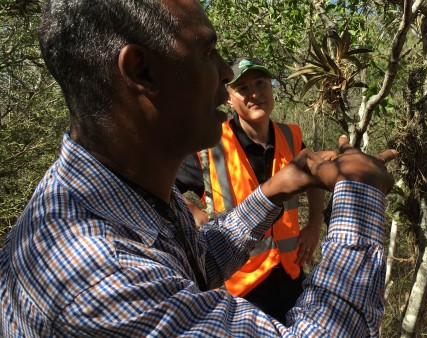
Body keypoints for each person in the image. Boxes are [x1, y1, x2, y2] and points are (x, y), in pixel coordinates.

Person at [0, 0, 396, 337]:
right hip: (248, 289)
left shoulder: (115, 195)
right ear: (141, 71)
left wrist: (274, 190)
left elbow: (194, 261)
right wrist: (359, 194)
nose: (226, 76)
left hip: (286, 276)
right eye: (208, 52)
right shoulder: (98, 276)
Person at [176, 57, 324, 322]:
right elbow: (162, 190)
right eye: (242, 88)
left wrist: (314, 224)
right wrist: (191, 211)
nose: (255, 93)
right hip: (240, 287)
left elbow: (314, 176)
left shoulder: (291, 136)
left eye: (261, 83)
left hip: (290, 273)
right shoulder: (209, 145)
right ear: (228, 98)